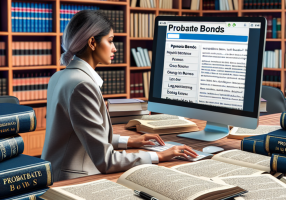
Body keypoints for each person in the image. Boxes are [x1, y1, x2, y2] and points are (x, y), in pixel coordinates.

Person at [41, 10, 198, 182]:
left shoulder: (60, 76)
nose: (115, 48)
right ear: (92, 42)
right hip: (72, 179)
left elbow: (85, 135)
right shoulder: (82, 85)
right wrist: (159, 156)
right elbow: (106, 161)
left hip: (54, 171)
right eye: (110, 41)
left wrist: (130, 141)